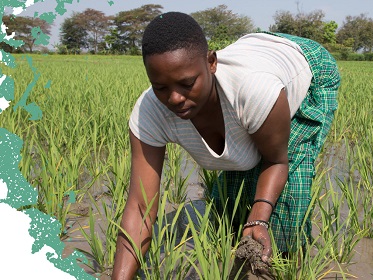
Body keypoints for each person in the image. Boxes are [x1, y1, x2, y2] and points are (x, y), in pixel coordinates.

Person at [112, 11, 339, 279]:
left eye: (187, 84)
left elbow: (277, 161)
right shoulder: (148, 113)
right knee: (230, 208)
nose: (174, 98)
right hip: (255, 63)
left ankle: (289, 270)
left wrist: (258, 219)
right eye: (160, 87)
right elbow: (139, 208)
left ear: (211, 63)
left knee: (286, 206)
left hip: (305, 66)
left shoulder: (254, 90)